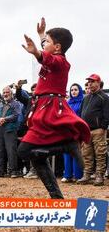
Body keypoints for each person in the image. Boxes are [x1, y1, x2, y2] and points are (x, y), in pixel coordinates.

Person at [17, 18, 90, 199]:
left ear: (57, 47)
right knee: (35, 155)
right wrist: (42, 35)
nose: (44, 44)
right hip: (42, 107)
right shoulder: (53, 56)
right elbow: (48, 54)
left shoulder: (61, 62)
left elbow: (48, 59)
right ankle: (56, 196)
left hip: (50, 108)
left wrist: (37, 53)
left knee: (24, 151)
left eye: (47, 42)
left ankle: (66, 146)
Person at [78, 74, 109, 186]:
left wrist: (103, 127)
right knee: (86, 154)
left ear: (98, 83)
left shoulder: (104, 97)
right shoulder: (85, 98)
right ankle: (87, 175)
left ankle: (99, 175)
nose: (90, 83)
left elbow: (107, 114)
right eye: (89, 81)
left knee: (100, 153)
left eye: (92, 81)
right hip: (86, 130)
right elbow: (81, 113)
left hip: (98, 130)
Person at [0, 86, 22, 178]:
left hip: (10, 129)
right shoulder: (0, 104)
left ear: (11, 93)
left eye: (7, 92)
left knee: (11, 151)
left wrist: (4, 119)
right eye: (4, 92)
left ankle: (13, 171)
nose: (5, 94)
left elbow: (16, 115)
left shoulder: (16, 104)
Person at [61, 83, 84, 183]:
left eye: (76, 90)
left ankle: (77, 175)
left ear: (80, 91)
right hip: (67, 131)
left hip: (77, 130)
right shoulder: (67, 102)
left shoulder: (83, 102)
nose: (73, 92)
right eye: (72, 90)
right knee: (66, 152)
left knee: (76, 153)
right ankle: (67, 175)